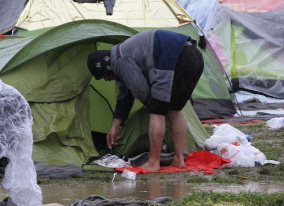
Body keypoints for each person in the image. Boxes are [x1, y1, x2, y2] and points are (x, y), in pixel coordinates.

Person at [86, 29, 204, 172]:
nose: (106, 79)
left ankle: (153, 162)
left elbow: (139, 88)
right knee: (175, 110)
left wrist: (153, 106)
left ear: (105, 67)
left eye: (104, 76)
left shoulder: (119, 60)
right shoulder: (122, 52)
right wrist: (115, 125)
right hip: (194, 56)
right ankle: (179, 159)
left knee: (155, 111)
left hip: (172, 59)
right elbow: (126, 94)